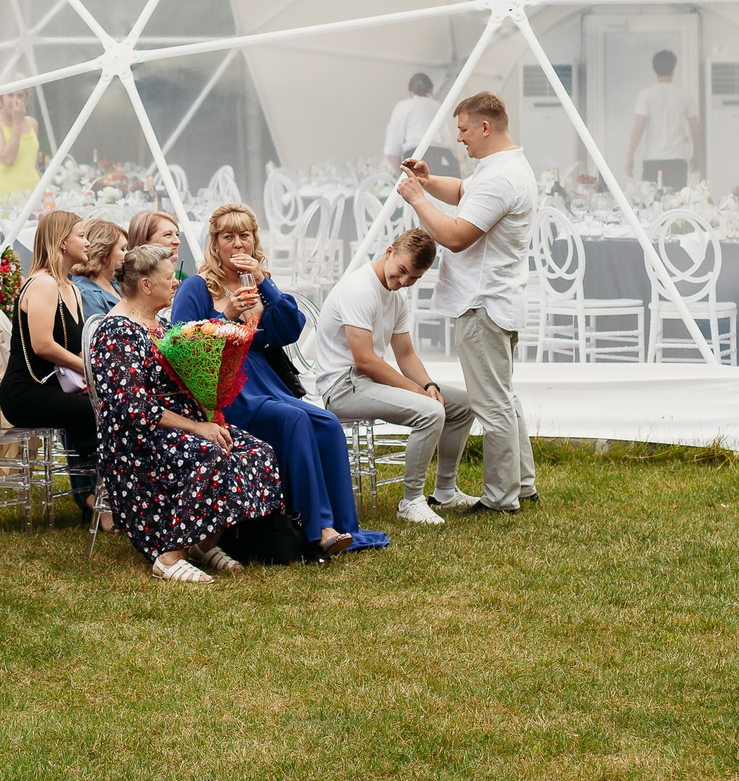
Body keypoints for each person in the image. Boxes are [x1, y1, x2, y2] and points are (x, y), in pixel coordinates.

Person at [88, 245, 285, 583]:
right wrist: (197, 427)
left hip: (178, 425)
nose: (177, 284)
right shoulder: (116, 332)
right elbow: (132, 406)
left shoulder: (159, 325)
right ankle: (168, 556)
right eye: (169, 278)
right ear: (147, 285)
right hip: (138, 439)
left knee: (257, 452)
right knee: (209, 453)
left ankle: (203, 543)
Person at [170, 204, 357, 555]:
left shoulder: (254, 285)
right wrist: (226, 315)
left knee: (327, 423)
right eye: (229, 237)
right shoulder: (197, 287)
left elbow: (290, 329)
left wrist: (264, 284)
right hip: (225, 387)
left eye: (245, 236)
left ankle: (345, 528)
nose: (238, 244)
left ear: (255, 241)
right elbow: (181, 344)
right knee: (294, 419)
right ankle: (317, 528)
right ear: (215, 244)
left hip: (265, 378)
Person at [395, 90, 539, 513]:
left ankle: (500, 499)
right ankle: (523, 485)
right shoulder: (504, 166)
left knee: (491, 406)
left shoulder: (500, 177)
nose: (459, 139)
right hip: (500, 299)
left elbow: (456, 237)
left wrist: (417, 200)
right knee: (504, 398)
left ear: (484, 127)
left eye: (462, 130)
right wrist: (429, 181)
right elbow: (464, 192)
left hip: (483, 305)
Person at [308, 230, 475, 525]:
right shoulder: (359, 289)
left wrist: (429, 385)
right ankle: (411, 501)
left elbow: (406, 353)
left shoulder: (398, 295)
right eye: (401, 272)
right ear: (389, 252)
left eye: (413, 278)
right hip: (343, 387)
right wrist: (418, 393)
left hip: (366, 382)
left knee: (462, 404)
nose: (403, 282)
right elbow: (366, 361)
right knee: (431, 411)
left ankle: (445, 492)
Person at [0, 210, 102, 521]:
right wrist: (88, 368)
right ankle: (90, 497)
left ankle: (101, 493)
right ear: (61, 243)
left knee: (106, 407)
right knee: (92, 412)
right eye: (81, 235)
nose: (87, 242)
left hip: (55, 387)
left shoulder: (72, 288)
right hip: (25, 391)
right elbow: (42, 345)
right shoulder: (43, 284)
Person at [624, 49, 701, 189]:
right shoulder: (684, 95)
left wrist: (630, 155)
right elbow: (695, 128)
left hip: (653, 160)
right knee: (676, 203)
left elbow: (639, 128)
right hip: (677, 159)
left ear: (654, 69)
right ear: (673, 69)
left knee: (652, 203)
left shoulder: (646, 95)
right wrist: (696, 154)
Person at [0, 89, 41, 210]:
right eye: (10, 95)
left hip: (33, 194)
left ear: (26, 99)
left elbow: (34, 164)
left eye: (20, 95)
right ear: (1, 97)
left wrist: (42, 191)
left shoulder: (32, 122)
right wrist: (17, 123)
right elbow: (7, 159)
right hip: (5, 197)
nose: (15, 100)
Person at [384, 72, 440, 172]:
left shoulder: (403, 106)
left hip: (416, 160)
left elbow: (392, 149)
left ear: (410, 92)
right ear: (431, 90)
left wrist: (400, 177)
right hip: (445, 161)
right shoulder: (441, 107)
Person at [74, 219, 125, 319]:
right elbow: (98, 332)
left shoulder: (112, 284)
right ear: (103, 254)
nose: (127, 254)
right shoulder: (87, 293)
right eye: (123, 249)